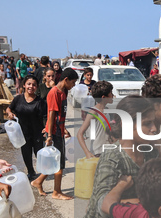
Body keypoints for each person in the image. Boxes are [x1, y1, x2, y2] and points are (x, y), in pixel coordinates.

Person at [30, 68, 78, 200]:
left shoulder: (64, 91)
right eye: (73, 82)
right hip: (54, 132)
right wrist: (50, 135)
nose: (73, 85)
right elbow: (51, 114)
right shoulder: (54, 93)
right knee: (59, 163)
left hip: (59, 130)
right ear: (66, 80)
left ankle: (38, 182)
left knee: (54, 161)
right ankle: (56, 192)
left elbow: (60, 114)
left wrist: (65, 128)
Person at [6, 75, 47, 181]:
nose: (31, 86)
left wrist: (46, 128)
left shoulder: (40, 102)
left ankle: (43, 174)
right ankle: (31, 172)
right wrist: (10, 113)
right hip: (22, 133)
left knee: (39, 154)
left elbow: (46, 117)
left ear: (37, 87)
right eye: (29, 84)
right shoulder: (18, 99)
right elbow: (8, 109)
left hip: (37, 132)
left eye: (34, 85)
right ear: (24, 85)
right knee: (26, 153)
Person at [76, 80, 114, 158]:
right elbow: (80, 133)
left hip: (108, 151)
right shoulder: (94, 112)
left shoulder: (107, 110)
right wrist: (87, 152)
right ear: (103, 97)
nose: (113, 95)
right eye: (111, 93)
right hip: (98, 153)